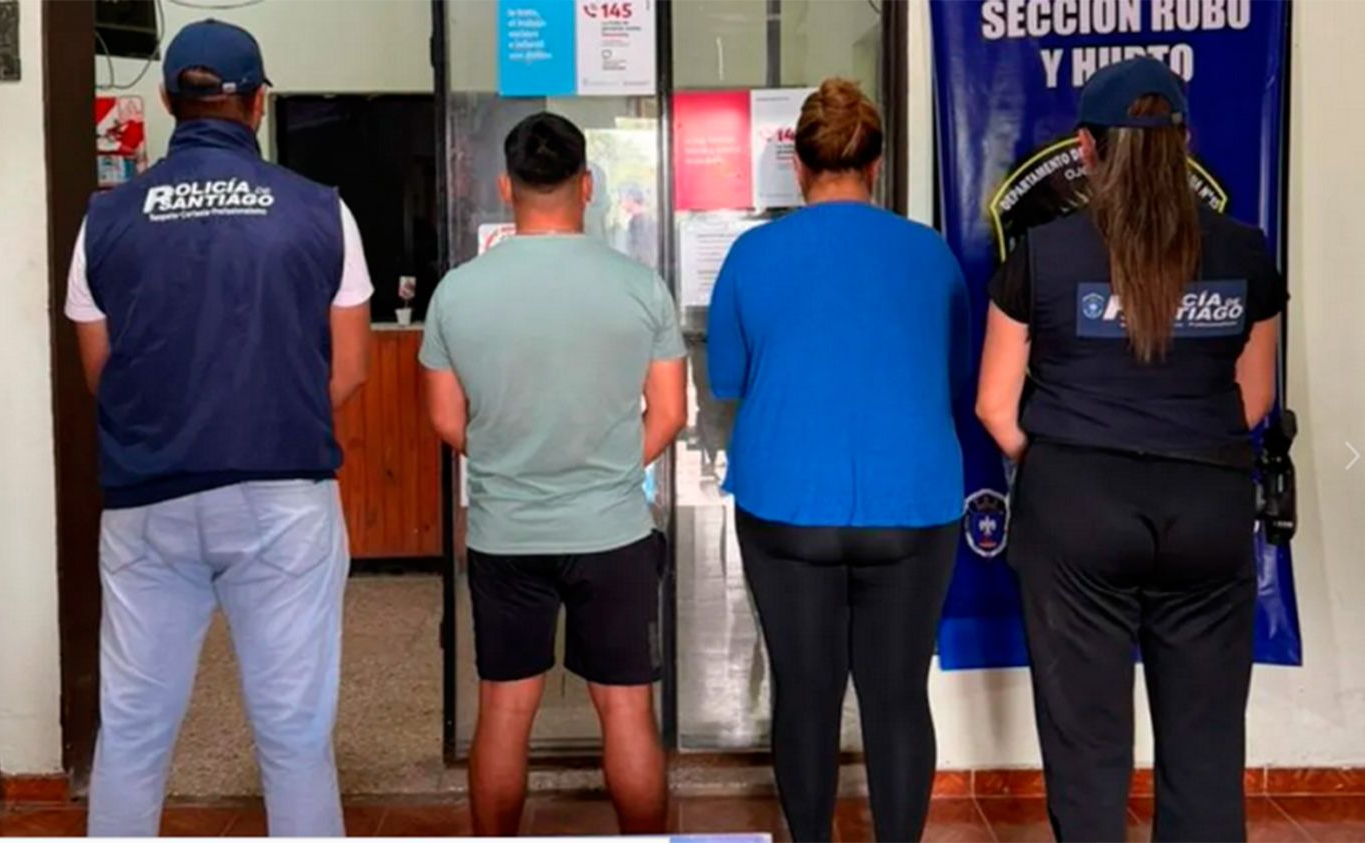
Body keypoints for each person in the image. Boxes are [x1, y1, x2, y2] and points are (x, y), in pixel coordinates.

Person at [65, 19, 370, 837]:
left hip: (146, 501)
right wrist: (267, 414)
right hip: (283, 497)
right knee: (295, 737)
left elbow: (101, 373)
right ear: (258, 102)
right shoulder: (322, 211)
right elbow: (348, 370)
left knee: (132, 731)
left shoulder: (104, 220)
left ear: (168, 101)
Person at [977, 57, 1283, 842]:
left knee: (1087, 747)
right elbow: (1252, 401)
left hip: (1078, 507)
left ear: (1086, 148)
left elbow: (994, 407)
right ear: (1185, 142)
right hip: (1207, 507)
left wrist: (1063, 464)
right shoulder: (1245, 253)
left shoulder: (1042, 254)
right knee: (1206, 746)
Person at [707, 78, 971, 843]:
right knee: (898, 698)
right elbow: (953, 374)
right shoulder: (931, 254)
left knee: (805, 696)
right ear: (875, 166)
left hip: (786, 499)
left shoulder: (751, 255)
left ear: (798, 165)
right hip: (913, 499)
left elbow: (729, 377)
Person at [420, 112, 687, 836]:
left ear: (506, 187)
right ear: (587, 185)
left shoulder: (457, 293)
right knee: (626, 708)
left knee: (505, 709)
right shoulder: (640, 286)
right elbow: (668, 414)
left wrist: (510, 459)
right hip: (613, 532)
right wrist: (605, 469)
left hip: (505, 533)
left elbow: (445, 418)